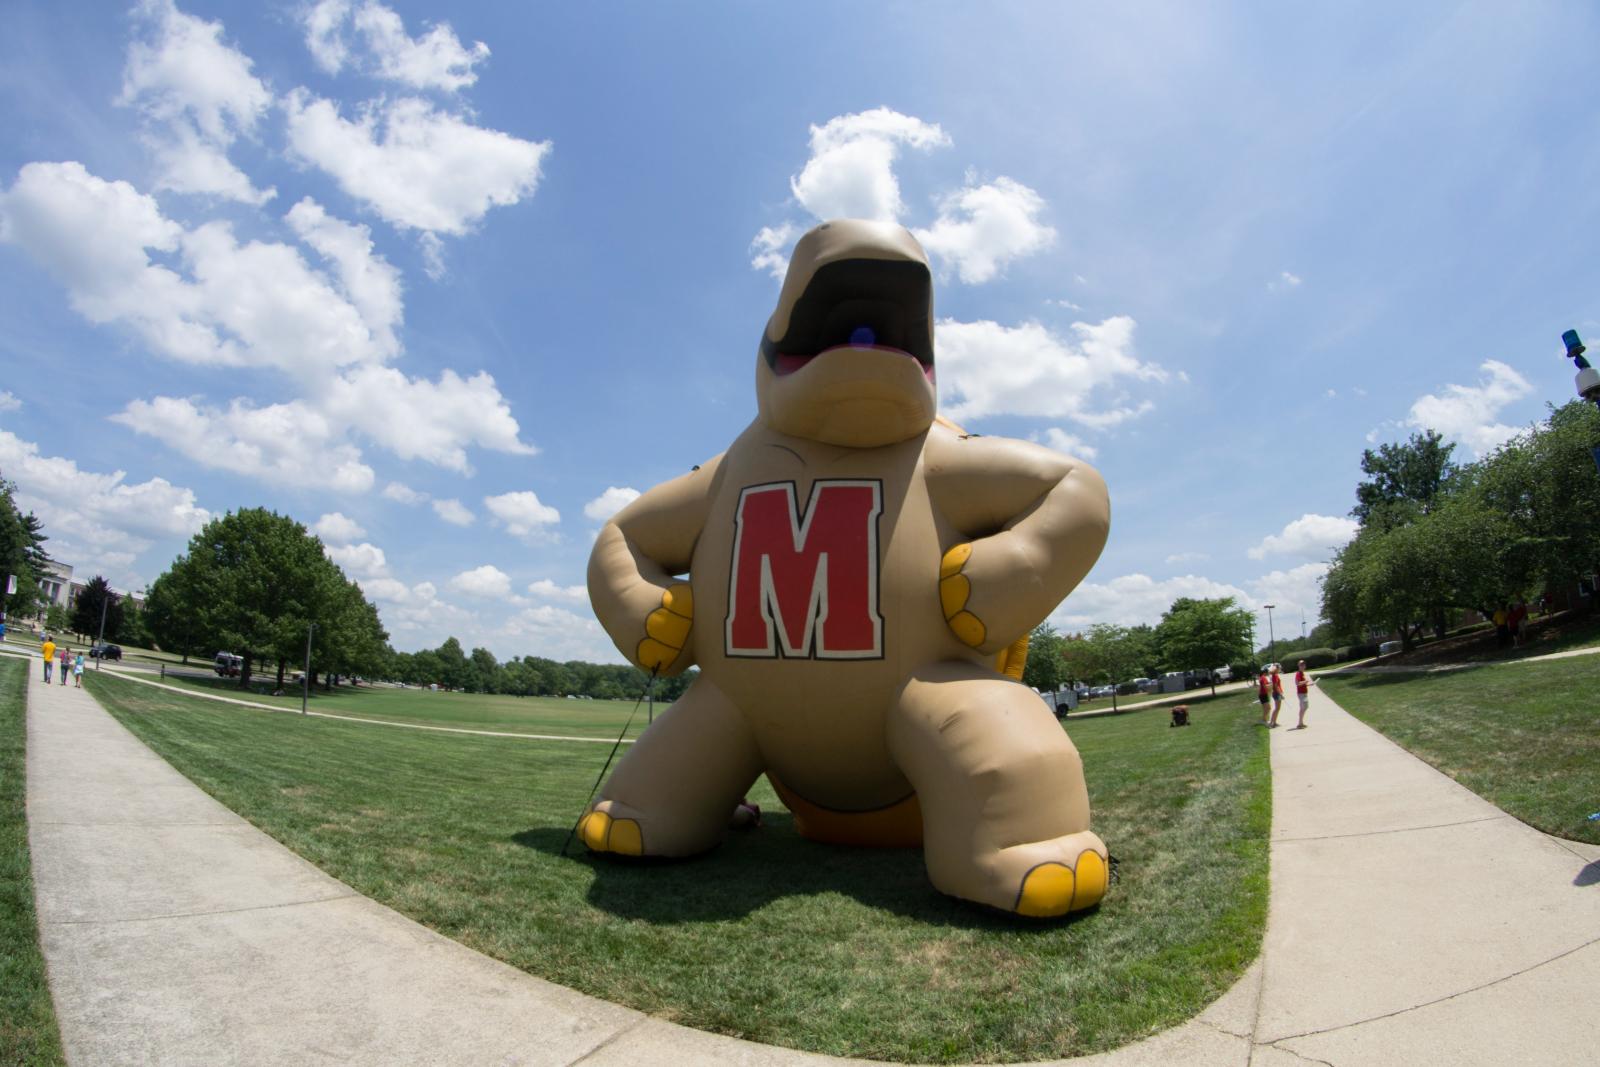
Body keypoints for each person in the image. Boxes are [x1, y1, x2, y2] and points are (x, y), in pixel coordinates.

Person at [1294, 659, 1316, 728]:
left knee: (1304, 707)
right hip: (1301, 693)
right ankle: (1300, 723)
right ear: (1299, 666)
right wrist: (1305, 681)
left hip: (1304, 692)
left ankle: (1301, 723)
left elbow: (1303, 684)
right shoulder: (1298, 673)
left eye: (1303, 665)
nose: (1303, 666)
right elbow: (1297, 683)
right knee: (1304, 707)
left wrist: (1309, 684)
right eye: (1301, 665)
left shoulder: (1302, 673)